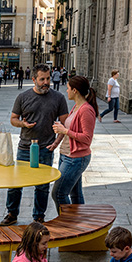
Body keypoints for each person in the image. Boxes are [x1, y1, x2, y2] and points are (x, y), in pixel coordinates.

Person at [0, 65, 68, 226]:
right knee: (16, 183)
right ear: (33, 80)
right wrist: (22, 124)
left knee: (42, 186)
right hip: (25, 147)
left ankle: (38, 216)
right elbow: (13, 119)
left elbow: (65, 124)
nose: (46, 82)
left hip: (46, 148)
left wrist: (56, 143)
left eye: (48, 78)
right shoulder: (23, 97)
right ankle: (12, 213)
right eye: (42, 79)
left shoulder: (58, 98)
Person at [50, 76, 99, 213]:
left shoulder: (86, 110)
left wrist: (65, 130)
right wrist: (55, 143)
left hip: (75, 158)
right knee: (75, 194)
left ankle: (67, 222)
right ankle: (78, 222)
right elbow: (68, 128)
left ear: (75, 90)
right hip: (66, 155)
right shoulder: (76, 107)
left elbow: (87, 138)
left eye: (68, 88)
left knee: (58, 193)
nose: (67, 91)